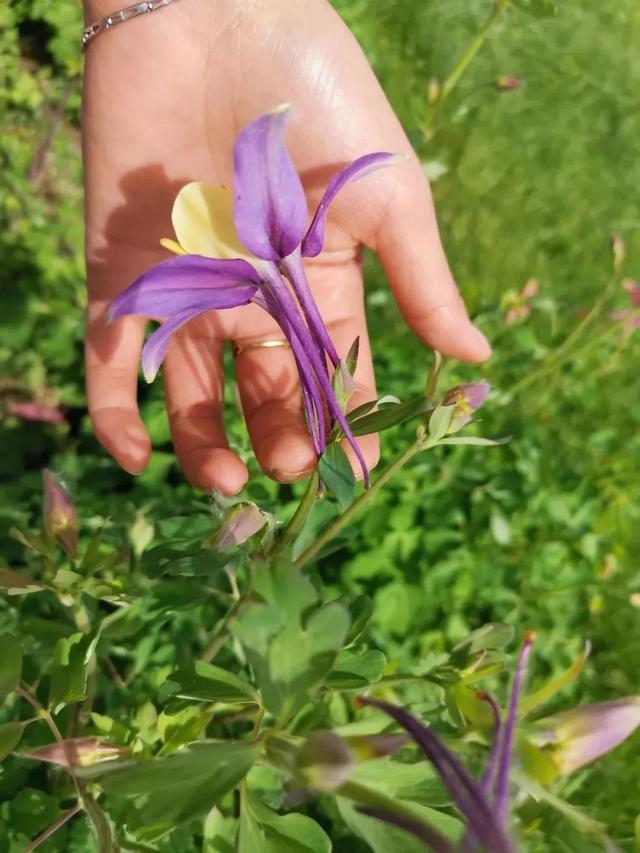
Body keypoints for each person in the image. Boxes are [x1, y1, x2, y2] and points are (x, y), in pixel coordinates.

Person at [82, 0, 491, 495]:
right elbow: (149, 309)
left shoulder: (270, 250)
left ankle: (332, 423)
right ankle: (333, 426)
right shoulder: (263, 258)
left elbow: (328, 166)